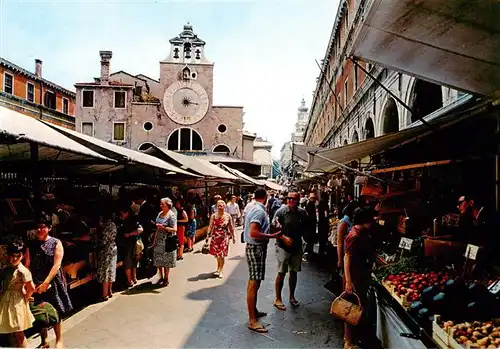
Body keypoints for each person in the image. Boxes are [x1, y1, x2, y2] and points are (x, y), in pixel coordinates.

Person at [25, 218, 73, 349]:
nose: (39, 230)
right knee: (40, 310)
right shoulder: (31, 244)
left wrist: (46, 282)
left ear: (49, 228)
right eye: (37, 227)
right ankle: (44, 339)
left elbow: (57, 265)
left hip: (53, 281)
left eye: (43, 226)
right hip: (36, 281)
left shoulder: (56, 242)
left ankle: (59, 339)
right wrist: (29, 282)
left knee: (55, 310)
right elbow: (27, 265)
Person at [244, 188, 282, 334]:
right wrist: (272, 235)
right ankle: (252, 320)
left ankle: (253, 311)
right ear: (265, 197)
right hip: (256, 248)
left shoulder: (254, 208)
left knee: (256, 280)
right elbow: (253, 232)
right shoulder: (259, 211)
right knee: (254, 282)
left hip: (256, 248)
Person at [343, 207, 379, 349]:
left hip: (360, 274)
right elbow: (347, 257)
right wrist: (348, 281)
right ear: (366, 220)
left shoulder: (361, 233)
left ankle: (351, 338)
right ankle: (348, 342)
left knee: (355, 306)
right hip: (354, 276)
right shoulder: (354, 235)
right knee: (349, 308)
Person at [272, 192, 308, 311]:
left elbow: (305, 229)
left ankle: (292, 296)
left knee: (294, 272)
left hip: (296, 246)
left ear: (298, 200)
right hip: (282, 246)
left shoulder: (302, 213)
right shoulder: (281, 212)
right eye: (289, 198)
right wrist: (283, 238)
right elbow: (273, 228)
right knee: (281, 272)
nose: (291, 200)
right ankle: (278, 298)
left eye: (293, 199)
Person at [0, 240, 36, 348]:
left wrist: (25, 298)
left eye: (18, 256)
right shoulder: (7, 269)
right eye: (12, 256)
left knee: (19, 332)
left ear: (22, 256)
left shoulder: (23, 271)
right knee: (11, 329)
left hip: (16, 303)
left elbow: (31, 288)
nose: (14, 259)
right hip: (6, 300)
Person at [152, 198, 177, 287]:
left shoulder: (171, 215)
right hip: (158, 239)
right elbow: (156, 228)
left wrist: (164, 227)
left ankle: (166, 277)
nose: (161, 206)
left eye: (163, 204)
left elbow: (174, 229)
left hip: (167, 240)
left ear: (168, 205)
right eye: (161, 204)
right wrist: (154, 241)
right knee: (158, 258)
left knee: (166, 260)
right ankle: (161, 276)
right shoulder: (159, 214)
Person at [207, 200, 235, 278]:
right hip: (215, 236)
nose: (220, 207)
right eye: (218, 206)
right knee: (217, 254)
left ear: (224, 206)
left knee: (221, 254)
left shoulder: (228, 216)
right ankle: (218, 269)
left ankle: (221, 270)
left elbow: (231, 227)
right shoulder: (213, 216)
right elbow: (210, 226)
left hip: (224, 237)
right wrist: (207, 235)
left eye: (221, 206)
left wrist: (233, 237)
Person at [96, 208, 118, 301]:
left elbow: (104, 240)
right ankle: (110, 292)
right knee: (111, 271)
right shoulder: (113, 225)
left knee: (105, 272)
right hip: (113, 247)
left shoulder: (106, 226)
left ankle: (104, 294)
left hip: (106, 250)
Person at [118, 207, 143, 287]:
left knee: (128, 263)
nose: (121, 216)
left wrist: (129, 234)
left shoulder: (127, 222)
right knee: (134, 260)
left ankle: (129, 280)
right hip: (134, 243)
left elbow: (140, 230)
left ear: (127, 213)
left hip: (128, 244)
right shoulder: (134, 220)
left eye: (122, 214)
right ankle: (134, 278)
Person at [305, 192, 318, 257]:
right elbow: (309, 216)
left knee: (310, 238)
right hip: (310, 225)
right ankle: (309, 251)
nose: (315, 199)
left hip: (311, 224)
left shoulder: (311, 204)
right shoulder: (310, 205)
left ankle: (309, 250)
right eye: (314, 198)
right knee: (310, 238)